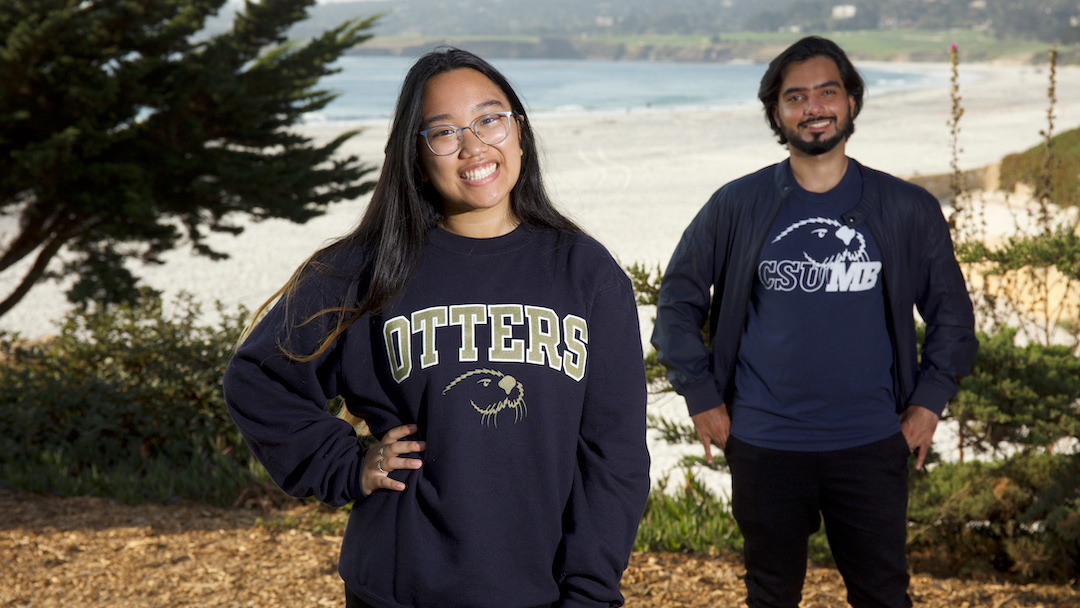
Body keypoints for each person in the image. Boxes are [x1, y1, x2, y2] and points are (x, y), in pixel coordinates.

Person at [223, 48, 650, 608]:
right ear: (417, 156)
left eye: (489, 119)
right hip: (400, 587)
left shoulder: (585, 272)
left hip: (540, 589)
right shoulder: (364, 268)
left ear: (519, 130)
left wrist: (591, 592)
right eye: (444, 132)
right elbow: (258, 377)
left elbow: (614, 453)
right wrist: (347, 463)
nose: (474, 146)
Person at [650, 36, 978, 608]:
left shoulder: (905, 208)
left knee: (882, 594)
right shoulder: (737, 204)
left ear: (851, 100)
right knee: (771, 594)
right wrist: (701, 396)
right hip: (764, 442)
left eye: (827, 91)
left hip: (872, 442)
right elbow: (677, 298)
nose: (813, 107)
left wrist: (929, 403)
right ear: (776, 113)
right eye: (795, 97)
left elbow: (952, 315)